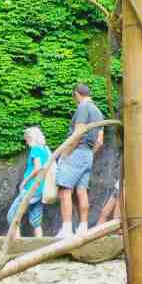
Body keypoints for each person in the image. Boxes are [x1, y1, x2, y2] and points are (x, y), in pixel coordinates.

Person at [56, 83, 104, 237]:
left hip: (76, 152)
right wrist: (88, 153)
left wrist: (66, 153)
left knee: (64, 191)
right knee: (82, 191)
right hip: (88, 154)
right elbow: (100, 141)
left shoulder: (83, 107)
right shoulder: (98, 112)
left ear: (77, 94)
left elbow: (79, 131)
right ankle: (83, 228)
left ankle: (67, 229)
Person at [7, 126, 51, 238]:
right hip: (40, 189)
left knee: (13, 215)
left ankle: (17, 242)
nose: (26, 142)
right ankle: (39, 242)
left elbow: (37, 168)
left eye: (26, 139)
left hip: (31, 187)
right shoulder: (45, 149)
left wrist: (24, 181)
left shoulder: (35, 149)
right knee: (36, 218)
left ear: (30, 138)